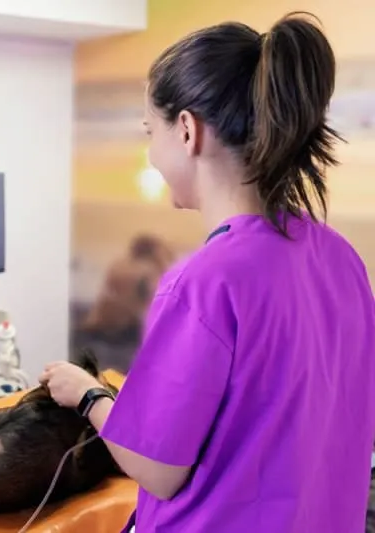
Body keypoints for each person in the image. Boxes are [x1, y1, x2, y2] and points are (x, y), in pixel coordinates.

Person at [40, 12, 375, 533]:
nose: (151, 154)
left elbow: (156, 468)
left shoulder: (205, 282)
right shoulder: (340, 259)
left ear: (188, 130)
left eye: (151, 132)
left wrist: (89, 395)